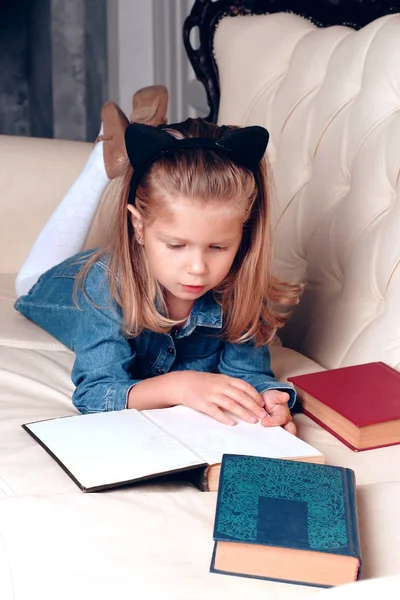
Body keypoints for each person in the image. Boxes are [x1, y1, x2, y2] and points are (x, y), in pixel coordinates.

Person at [14, 118, 302, 434]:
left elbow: (247, 373)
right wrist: (179, 387)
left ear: (243, 235)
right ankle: (100, 164)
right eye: (176, 245)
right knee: (27, 281)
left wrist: (269, 397)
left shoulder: (239, 290)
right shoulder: (105, 286)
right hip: (64, 283)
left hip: (128, 260)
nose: (197, 267)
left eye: (218, 246)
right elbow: (95, 393)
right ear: (138, 226)